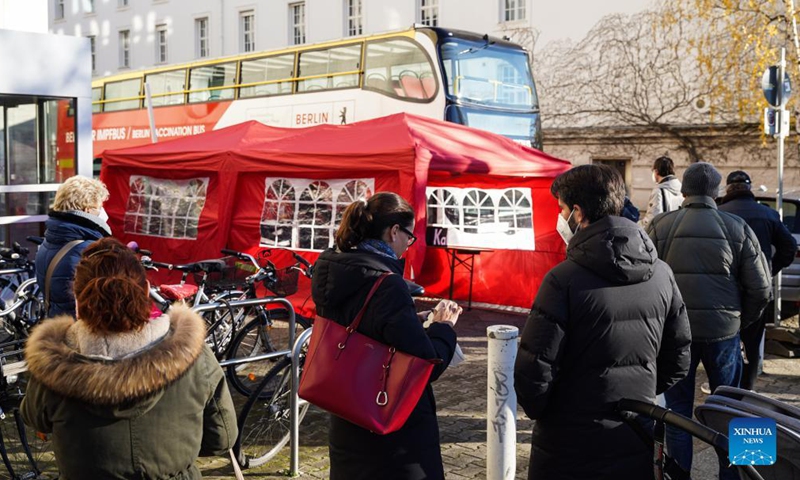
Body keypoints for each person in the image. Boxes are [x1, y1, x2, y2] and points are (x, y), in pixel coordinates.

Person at [515, 164, 691, 480]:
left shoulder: (562, 280)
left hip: (568, 443)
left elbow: (533, 371)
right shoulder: (662, 273)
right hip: (634, 431)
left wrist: (550, 412)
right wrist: (638, 395)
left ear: (578, 213)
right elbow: (679, 357)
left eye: (562, 209)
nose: (561, 217)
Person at [21, 238, 237, 479]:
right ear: (145, 291)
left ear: (78, 300)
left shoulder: (53, 364)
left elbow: (35, 418)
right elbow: (222, 439)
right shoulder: (195, 357)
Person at [311, 192, 459, 480]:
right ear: (394, 232)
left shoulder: (332, 269)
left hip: (345, 415)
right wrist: (443, 327)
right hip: (388, 427)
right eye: (409, 237)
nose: (408, 244)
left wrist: (411, 321)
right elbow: (427, 363)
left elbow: (363, 325)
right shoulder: (387, 284)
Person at [646, 162, 771, 478]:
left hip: (676, 335)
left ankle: (679, 474)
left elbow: (646, 281)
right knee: (729, 411)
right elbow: (761, 289)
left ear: (684, 191)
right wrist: (740, 322)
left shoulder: (661, 227)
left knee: (677, 413)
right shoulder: (736, 227)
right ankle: (731, 476)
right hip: (724, 333)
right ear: (716, 191)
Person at [719, 170, 797, 390]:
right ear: (749, 188)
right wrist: (770, 269)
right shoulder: (767, 214)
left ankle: (727, 390)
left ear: (728, 189)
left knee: (726, 338)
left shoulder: (719, 213)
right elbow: (788, 247)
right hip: (758, 289)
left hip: (726, 289)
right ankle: (747, 389)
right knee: (753, 342)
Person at [36, 176, 112, 317]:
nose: (102, 211)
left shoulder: (50, 241)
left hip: (57, 324)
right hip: (82, 330)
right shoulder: (90, 249)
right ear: (87, 209)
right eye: (99, 207)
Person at [640, 155, 684, 229]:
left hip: (663, 236)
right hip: (677, 233)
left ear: (656, 171)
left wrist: (637, 226)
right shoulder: (681, 190)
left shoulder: (658, 191)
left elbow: (652, 220)